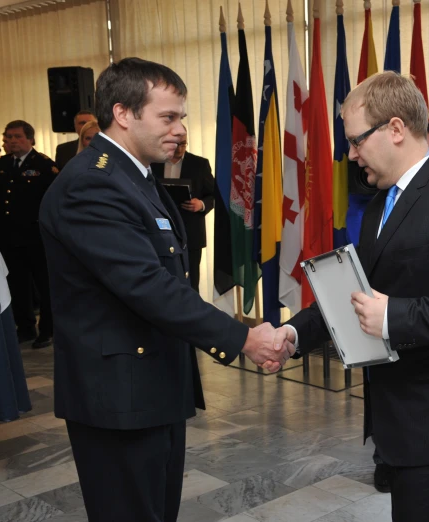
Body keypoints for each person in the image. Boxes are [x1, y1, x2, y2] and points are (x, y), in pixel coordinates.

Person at [38, 57, 292, 522]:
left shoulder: (136, 177)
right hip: (118, 395)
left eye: (182, 117)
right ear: (123, 113)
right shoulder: (92, 184)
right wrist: (244, 337)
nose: (180, 129)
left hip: (152, 384)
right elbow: (147, 286)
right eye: (168, 117)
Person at [275, 71, 429, 521]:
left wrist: (394, 317)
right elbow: (357, 292)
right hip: (399, 419)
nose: (349, 154)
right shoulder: (380, 204)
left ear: (396, 129)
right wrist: (293, 334)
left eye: (355, 140)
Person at [0, 120, 58, 348]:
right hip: (8, 235)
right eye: (9, 137)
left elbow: (55, 201)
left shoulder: (44, 165)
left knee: (43, 285)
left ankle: (47, 329)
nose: (12, 141)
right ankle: (25, 328)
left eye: (17, 136)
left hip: (36, 235)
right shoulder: (3, 164)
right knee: (17, 284)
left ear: (30, 139)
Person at [151, 127, 214, 292]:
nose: (179, 149)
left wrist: (201, 204)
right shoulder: (154, 163)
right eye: (176, 144)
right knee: (163, 283)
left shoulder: (199, 164)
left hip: (191, 233)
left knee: (191, 284)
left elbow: (214, 195)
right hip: (161, 232)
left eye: (183, 144)